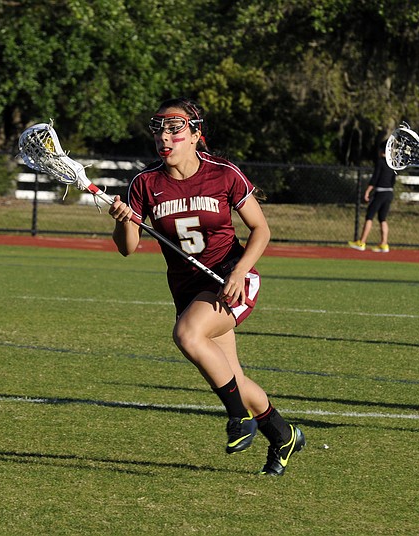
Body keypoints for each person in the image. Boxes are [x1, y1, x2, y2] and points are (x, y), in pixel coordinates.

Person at [107, 97, 305, 476]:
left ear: (196, 134)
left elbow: (261, 230)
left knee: (187, 334)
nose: (164, 138)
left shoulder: (224, 173)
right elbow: (127, 248)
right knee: (233, 377)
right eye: (159, 129)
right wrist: (122, 220)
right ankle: (284, 435)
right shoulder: (144, 182)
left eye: (174, 129)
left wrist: (239, 270)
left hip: (230, 279)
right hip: (189, 291)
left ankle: (239, 419)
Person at [349, 144, 396, 252]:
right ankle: (384, 244)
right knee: (382, 218)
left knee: (369, 216)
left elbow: (375, 178)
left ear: (382, 151)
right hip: (389, 193)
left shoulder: (380, 162)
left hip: (380, 192)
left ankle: (362, 242)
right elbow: (393, 180)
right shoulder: (393, 164)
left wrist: (367, 191)